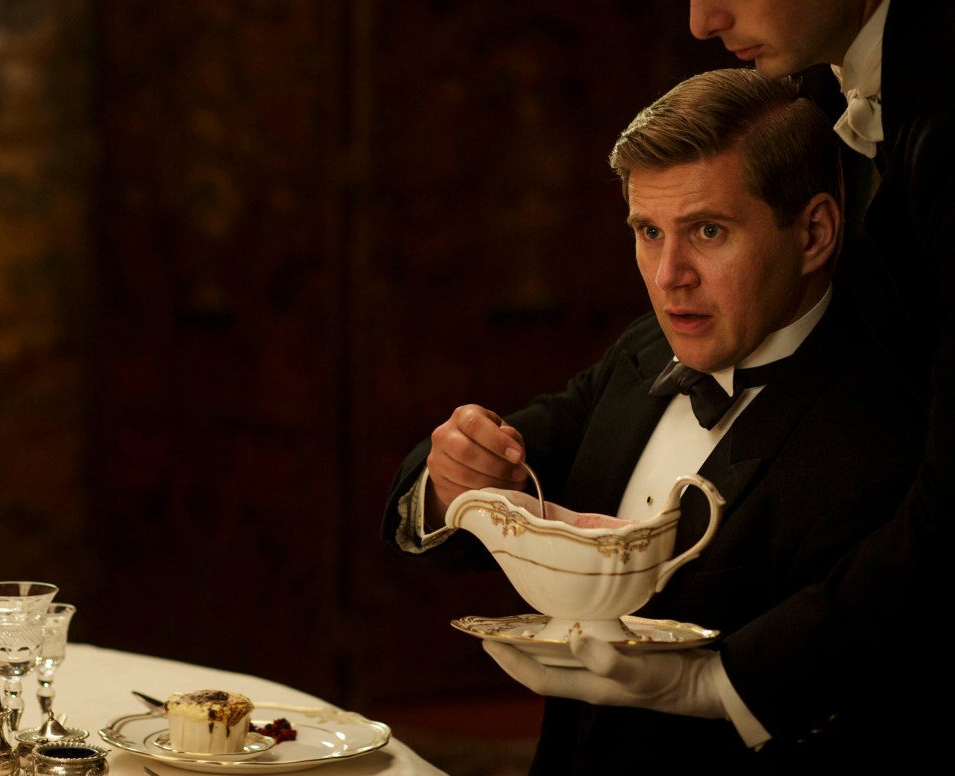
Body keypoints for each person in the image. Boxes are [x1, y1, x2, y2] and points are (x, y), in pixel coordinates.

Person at [383, 68, 925, 771]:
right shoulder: (644, 350)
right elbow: (476, 493)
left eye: (708, 230)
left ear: (814, 233)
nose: (670, 275)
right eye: (648, 231)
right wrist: (451, 477)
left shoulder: (882, 426)